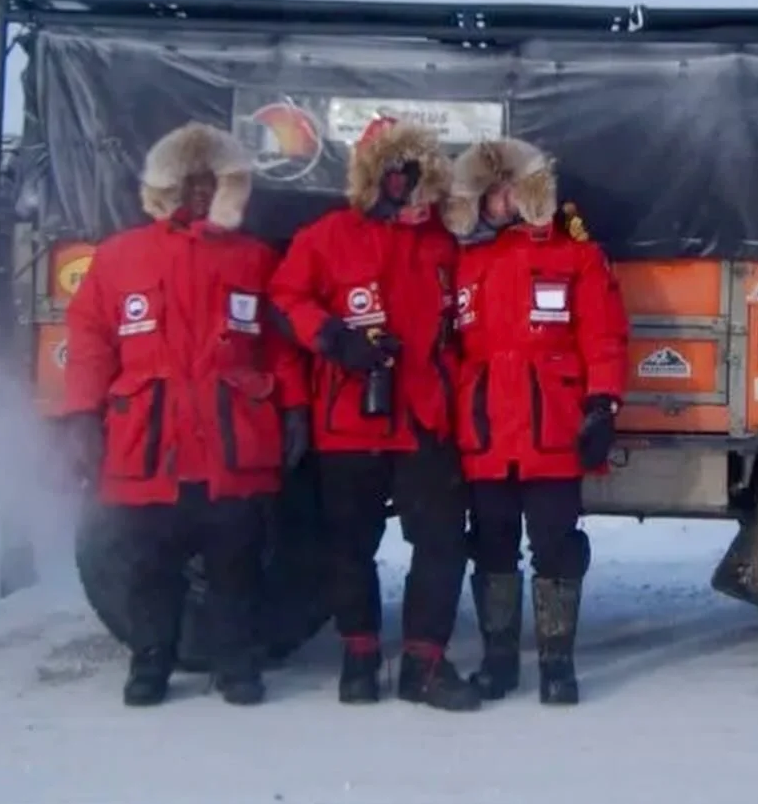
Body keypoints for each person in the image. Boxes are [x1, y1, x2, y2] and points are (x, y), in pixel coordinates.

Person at [58, 121, 311, 708]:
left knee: (236, 564)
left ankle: (237, 666)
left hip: (231, 442)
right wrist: (81, 415)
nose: (201, 194)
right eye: (191, 183)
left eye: (212, 183)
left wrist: (294, 405)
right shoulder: (120, 257)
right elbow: (91, 339)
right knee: (149, 567)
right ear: (166, 187)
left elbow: (277, 344)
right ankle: (150, 665)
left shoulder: (253, 259)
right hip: (150, 442)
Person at [269, 117, 479, 712]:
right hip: (348, 419)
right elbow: (284, 298)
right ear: (372, 176)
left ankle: (424, 663)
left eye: (415, 174)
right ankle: (358, 655)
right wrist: (336, 340)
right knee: (349, 545)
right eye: (394, 173)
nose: (404, 185)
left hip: (424, 419)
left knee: (441, 542)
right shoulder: (327, 236)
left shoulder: (443, 242)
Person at [443, 137, 629, 705]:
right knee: (492, 545)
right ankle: (499, 661)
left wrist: (603, 402)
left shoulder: (575, 256)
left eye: (508, 189)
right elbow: (449, 348)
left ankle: (556, 664)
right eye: (489, 192)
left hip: (553, 431)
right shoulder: (463, 261)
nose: (500, 202)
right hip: (485, 434)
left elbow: (603, 336)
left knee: (556, 545)